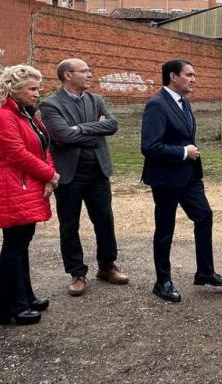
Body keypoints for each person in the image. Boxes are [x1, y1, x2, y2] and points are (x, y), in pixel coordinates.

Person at [141, 59, 222, 303]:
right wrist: (183, 152)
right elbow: (149, 146)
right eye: (189, 75)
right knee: (165, 229)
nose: (194, 79)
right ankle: (163, 281)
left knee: (204, 216)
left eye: (194, 75)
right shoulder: (157, 105)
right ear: (173, 76)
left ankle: (205, 272)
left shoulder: (184, 104)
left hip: (189, 176)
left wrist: (187, 156)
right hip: (166, 178)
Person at [40, 58, 128, 296]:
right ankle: (77, 273)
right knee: (70, 225)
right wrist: (92, 130)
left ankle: (107, 267)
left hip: (98, 172)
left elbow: (112, 125)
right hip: (70, 174)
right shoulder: (50, 105)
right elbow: (63, 137)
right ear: (68, 75)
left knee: (104, 221)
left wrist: (78, 128)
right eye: (84, 71)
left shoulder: (96, 99)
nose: (90, 74)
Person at [0, 64, 59, 326]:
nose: (37, 93)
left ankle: (23, 297)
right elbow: (18, 153)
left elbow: (42, 147)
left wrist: (48, 173)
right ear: (14, 90)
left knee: (21, 243)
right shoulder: (3, 117)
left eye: (38, 88)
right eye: (32, 88)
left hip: (27, 183)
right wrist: (49, 175)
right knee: (14, 245)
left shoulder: (27, 116)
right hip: (13, 184)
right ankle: (11, 306)